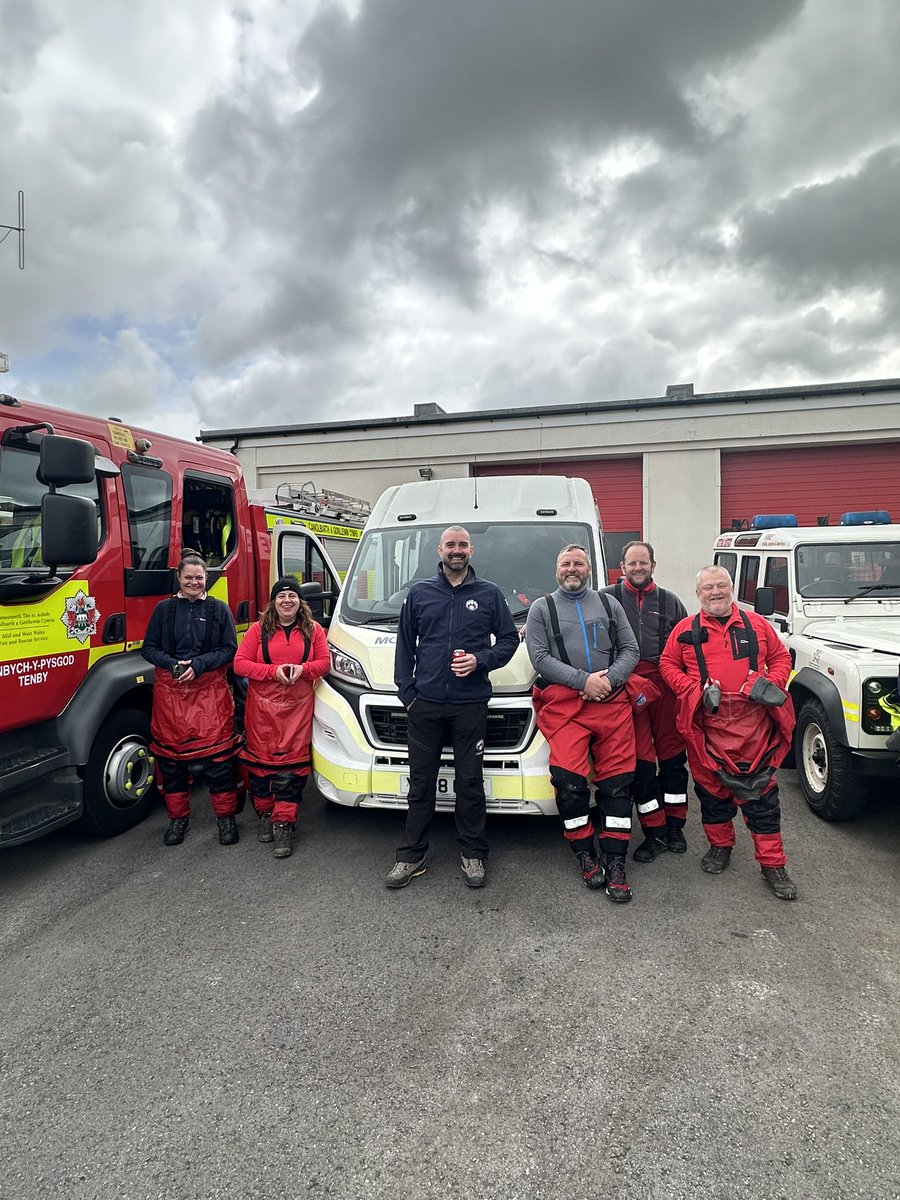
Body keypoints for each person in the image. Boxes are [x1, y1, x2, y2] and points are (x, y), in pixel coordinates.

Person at [387, 525, 519, 889]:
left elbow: (509, 641)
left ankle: (474, 853)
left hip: (470, 705)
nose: (456, 550)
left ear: (471, 551)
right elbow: (404, 646)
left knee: (471, 782)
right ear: (439, 550)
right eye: (450, 545)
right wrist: (408, 694)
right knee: (421, 784)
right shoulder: (420, 594)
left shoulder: (490, 594)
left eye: (462, 545)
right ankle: (410, 855)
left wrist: (481, 660)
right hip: (425, 705)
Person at [659, 566, 798, 900]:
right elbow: (667, 665)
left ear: (731, 587)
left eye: (721, 585)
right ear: (698, 594)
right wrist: (693, 689)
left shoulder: (757, 624)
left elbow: (781, 657)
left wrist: (769, 684)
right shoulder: (684, 630)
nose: (716, 592)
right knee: (712, 797)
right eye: (708, 587)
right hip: (707, 730)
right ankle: (720, 847)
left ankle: (772, 864)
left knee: (763, 802)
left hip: (755, 729)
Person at [525, 544, 640, 903]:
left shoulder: (609, 604)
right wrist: (583, 681)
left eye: (578, 563)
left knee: (618, 786)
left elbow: (630, 650)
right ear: (556, 569)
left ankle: (617, 861)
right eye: (565, 564)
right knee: (569, 784)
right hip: (565, 707)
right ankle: (584, 853)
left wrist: (607, 681)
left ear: (589, 569)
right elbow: (540, 658)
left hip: (612, 702)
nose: (571, 569)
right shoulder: (541, 610)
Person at [142, 552, 241, 846]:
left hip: (210, 696)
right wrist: (173, 665)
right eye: (189, 577)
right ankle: (177, 820)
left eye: (199, 578)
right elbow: (149, 649)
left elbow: (229, 650)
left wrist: (198, 666)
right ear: (179, 578)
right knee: (172, 766)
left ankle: (226, 820)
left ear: (206, 579)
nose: (194, 582)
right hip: (170, 699)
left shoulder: (219, 610)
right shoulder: (163, 610)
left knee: (220, 764)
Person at [603, 541, 689, 861]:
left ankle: (675, 826)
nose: (638, 568)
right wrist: (534, 620)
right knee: (640, 762)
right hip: (626, 687)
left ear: (653, 565)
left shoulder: (671, 602)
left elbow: (687, 643)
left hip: (665, 686)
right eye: (631, 563)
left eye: (644, 563)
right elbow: (571, 610)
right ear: (621, 567)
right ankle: (654, 831)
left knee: (672, 759)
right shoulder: (605, 597)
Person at [233, 577, 330, 859]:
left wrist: (304, 669)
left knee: (291, 772)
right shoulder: (257, 629)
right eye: (281, 596)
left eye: (292, 596)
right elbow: (240, 663)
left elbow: (325, 663)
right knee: (260, 770)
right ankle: (266, 815)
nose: (287, 600)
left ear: (300, 601)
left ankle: (284, 823)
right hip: (261, 710)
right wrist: (273, 672)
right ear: (273, 601)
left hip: (298, 709)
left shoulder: (314, 630)